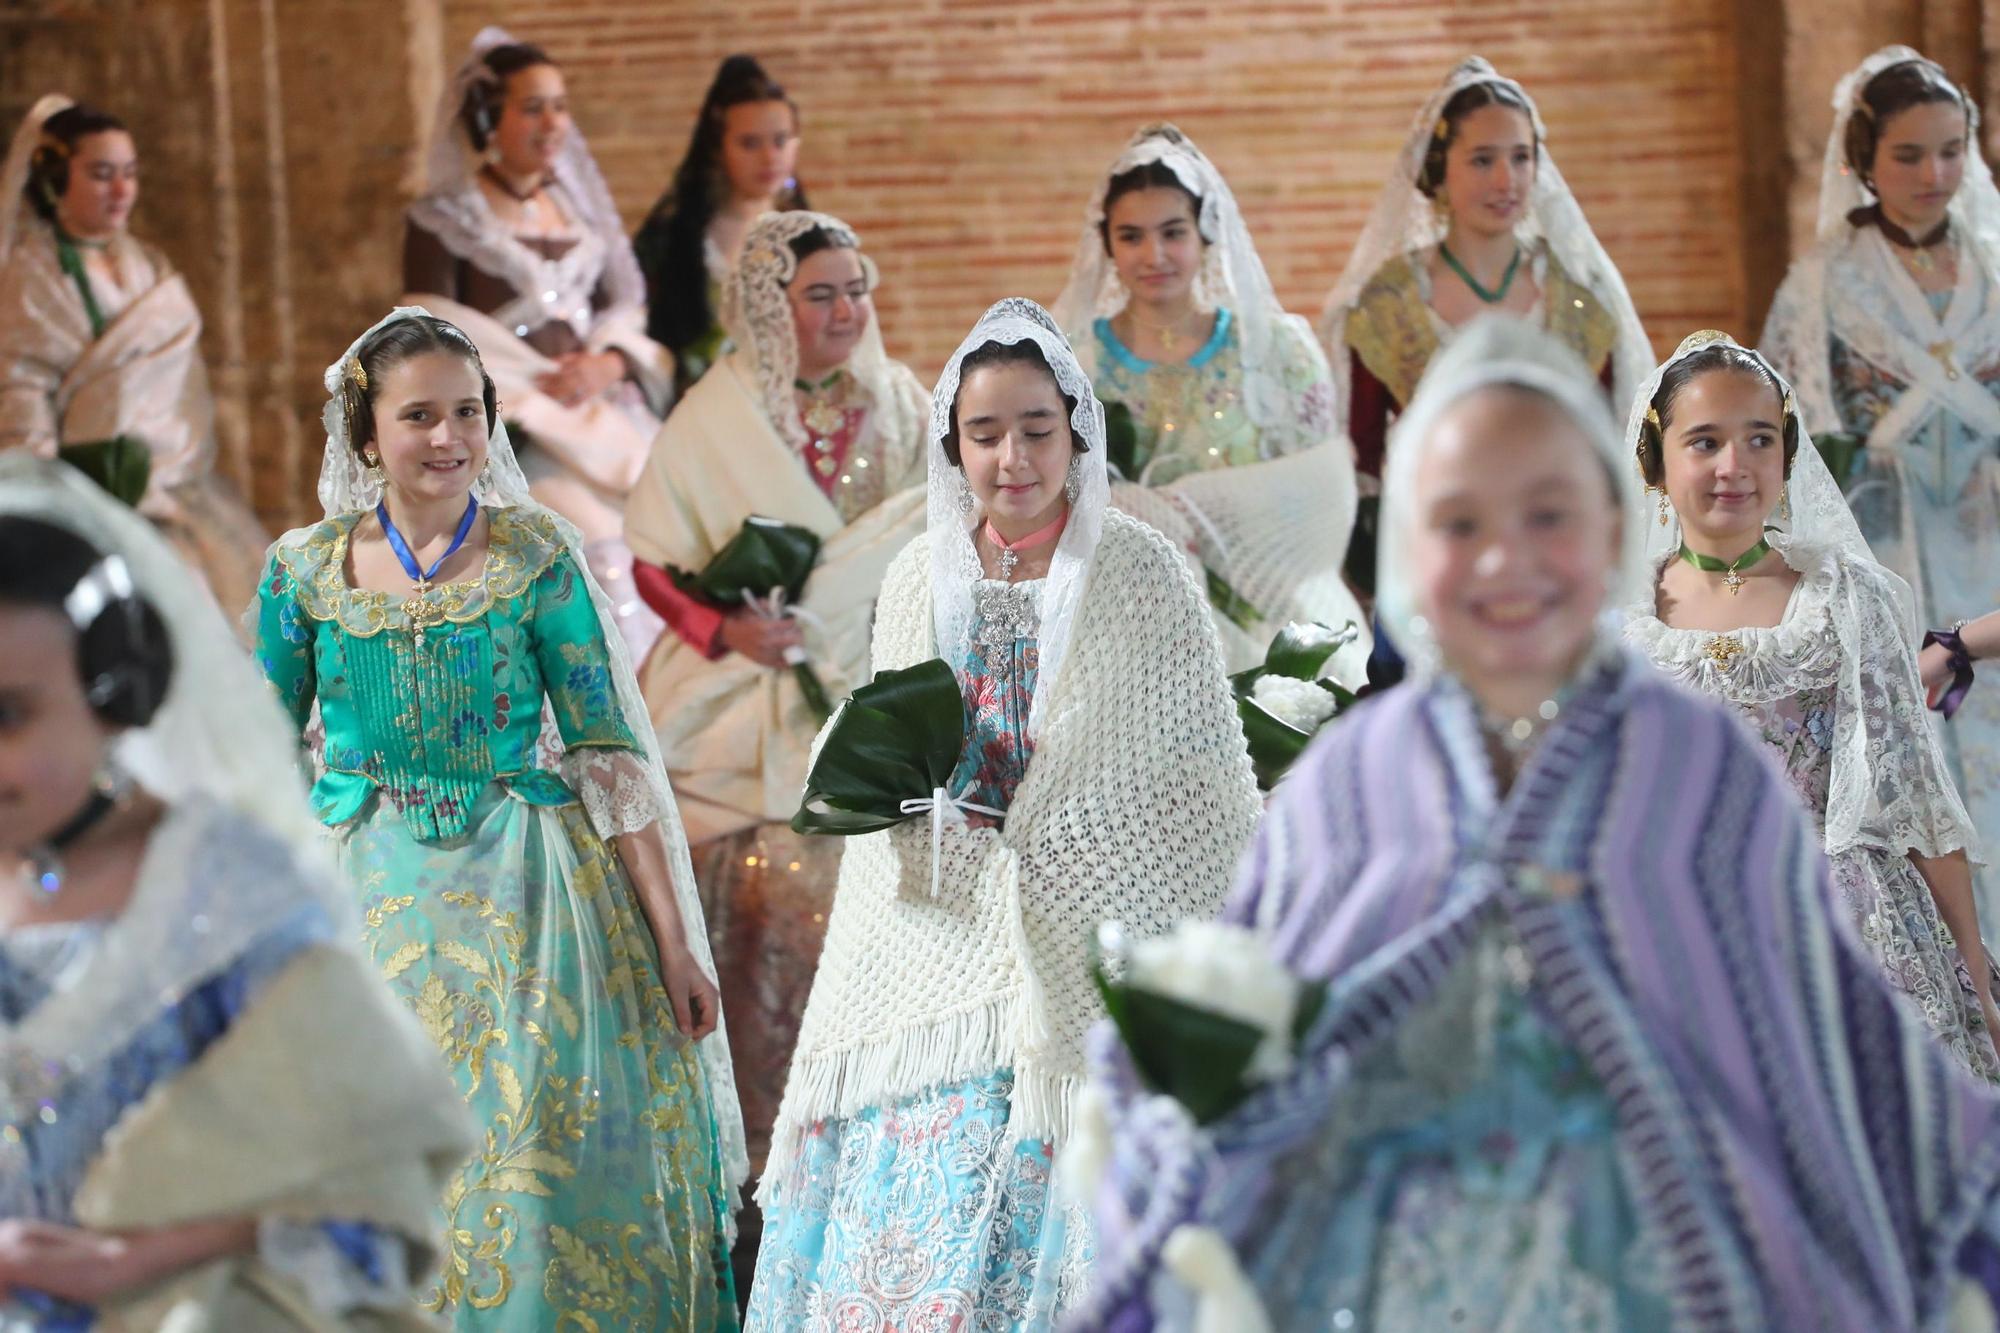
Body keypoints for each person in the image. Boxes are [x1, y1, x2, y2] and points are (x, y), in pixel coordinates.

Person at [1075, 317, 2000, 1332]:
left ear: (1609, 528)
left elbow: (1816, 1022)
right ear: (1405, 548)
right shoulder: (1353, 778)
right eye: (1458, 524)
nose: (1502, 562)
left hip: (1651, 1247)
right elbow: (1270, 1014)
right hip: (1410, 1265)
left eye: (1546, 515)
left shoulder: (1694, 760)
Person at [746, 300, 1262, 1330]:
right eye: (984, 434)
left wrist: (1064, 834)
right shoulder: (913, 582)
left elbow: (1200, 777)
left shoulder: (1141, 572)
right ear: (953, 446)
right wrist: (913, 810)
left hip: (1097, 942)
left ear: (1075, 432)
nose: (1012, 457)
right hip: (942, 945)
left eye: (1036, 428)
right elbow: (889, 748)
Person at [250, 308, 745, 1330]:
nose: (448, 439)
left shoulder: (537, 555)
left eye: (467, 413)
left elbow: (608, 753)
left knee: (530, 1177)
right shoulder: (301, 571)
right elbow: (257, 755)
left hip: (536, 907)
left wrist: (672, 942)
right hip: (368, 904)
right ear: (365, 433)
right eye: (419, 415)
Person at [0, 453, 470, 1329]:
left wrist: (125, 1264)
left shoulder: (228, 888)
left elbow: (361, 1177)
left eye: (8, 715)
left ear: (114, 690)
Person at [625, 209, 928, 1178]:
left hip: (873, 670)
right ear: (771, 308)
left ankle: (890, 1122)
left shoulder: (904, 404)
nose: (845, 311)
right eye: (820, 295)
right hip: (738, 676)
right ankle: (752, 1141)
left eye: (856, 288)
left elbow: (933, 535)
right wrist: (728, 632)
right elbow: (650, 560)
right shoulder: (714, 415)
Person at [1624, 330, 2000, 1078]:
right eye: (1704, 442)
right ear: (1656, 463)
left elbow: (1914, 794)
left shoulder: (1847, 598)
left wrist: (1974, 967)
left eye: (1759, 439)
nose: (1735, 466)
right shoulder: (1617, 621)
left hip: (1847, 923)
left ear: (1787, 454)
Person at [1762, 45, 2000, 924]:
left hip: (1992, 541)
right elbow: (1795, 447)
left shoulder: (1996, 259)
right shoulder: (1822, 284)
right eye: (1908, 154)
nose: (1934, 174)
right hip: (1886, 544)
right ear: (1864, 161)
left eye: (1950, 150)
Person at [1051, 124, 1367, 680]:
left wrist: (1207, 515)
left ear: (1206, 233)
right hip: (1127, 624)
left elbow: (1324, 494)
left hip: (1273, 610)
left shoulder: (1277, 350)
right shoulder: (1070, 365)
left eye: (1173, 232)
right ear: (1107, 246)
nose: (1154, 255)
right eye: (1131, 237)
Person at [402, 27, 669, 657]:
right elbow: (428, 335)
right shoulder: (445, 217)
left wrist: (607, 363)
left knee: (663, 539)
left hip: (600, 416)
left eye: (559, 106)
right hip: (516, 430)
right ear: (490, 118)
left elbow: (624, 310)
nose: (552, 124)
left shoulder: (579, 217)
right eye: (532, 107)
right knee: (592, 551)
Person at [1321, 57, 1651, 486]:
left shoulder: (1580, 297)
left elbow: (1613, 447)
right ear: (1439, 170)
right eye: (1482, 160)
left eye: (1520, 158)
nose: (1506, 181)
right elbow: (1362, 467)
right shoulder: (1388, 305)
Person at [0, 96, 265, 613]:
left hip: (175, 491)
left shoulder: (147, 265)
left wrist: (165, 466)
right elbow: (20, 392)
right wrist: (63, 500)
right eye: (101, 174)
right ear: (54, 179)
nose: (122, 190)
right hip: (84, 497)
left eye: (129, 173)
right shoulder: (31, 279)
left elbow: (177, 388)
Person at [634, 55, 807, 393]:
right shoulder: (676, 238)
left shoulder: (808, 236)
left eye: (780, 140)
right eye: (750, 144)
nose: (770, 158)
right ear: (718, 148)